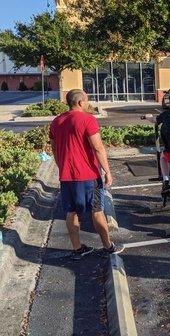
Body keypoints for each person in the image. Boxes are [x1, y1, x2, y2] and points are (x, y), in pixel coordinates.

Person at [49, 89, 123, 259]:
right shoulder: (88, 119)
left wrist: (62, 166)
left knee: (72, 211)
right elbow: (98, 147)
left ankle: (77, 249)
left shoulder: (56, 121)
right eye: (87, 101)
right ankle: (108, 246)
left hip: (67, 175)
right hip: (88, 174)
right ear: (80, 102)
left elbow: (54, 148)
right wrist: (107, 171)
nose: (89, 104)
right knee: (97, 210)